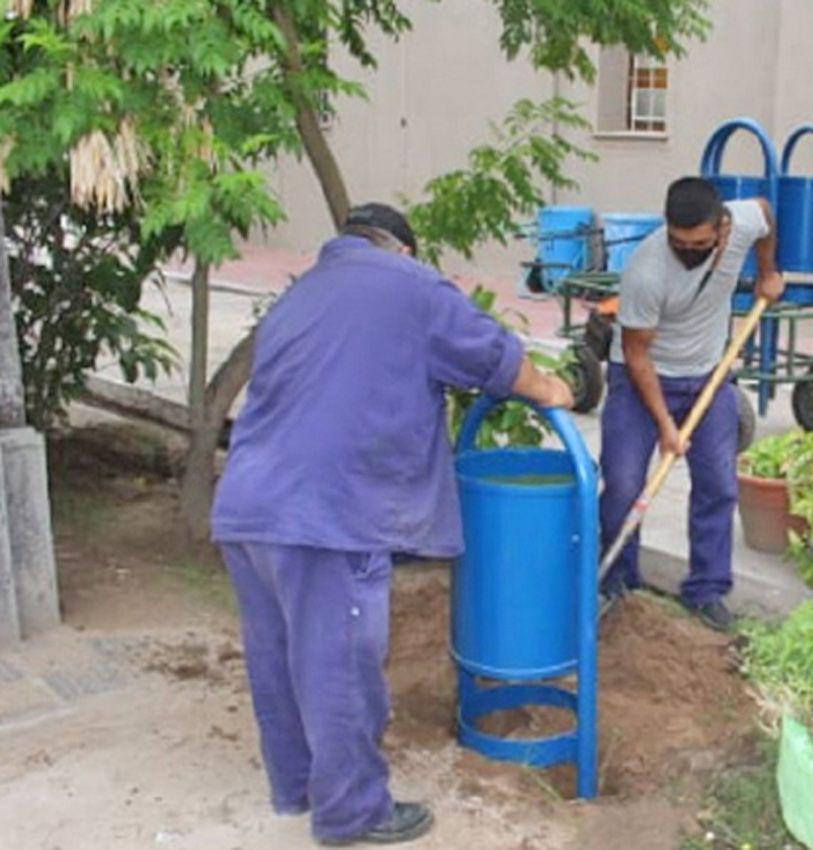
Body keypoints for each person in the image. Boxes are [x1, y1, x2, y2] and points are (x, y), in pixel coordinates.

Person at [211, 203, 573, 846]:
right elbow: (493, 356)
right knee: (340, 665)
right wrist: (550, 389)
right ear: (402, 250)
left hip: (248, 506)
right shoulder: (409, 284)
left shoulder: (301, 296)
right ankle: (351, 813)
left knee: (280, 656)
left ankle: (296, 787)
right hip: (328, 514)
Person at [599, 178, 783, 632]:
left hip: (709, 376)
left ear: (722, 228)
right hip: (642, 379)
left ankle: (707, 590)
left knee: (719, 483)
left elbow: (765, 212)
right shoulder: (646, 270)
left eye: (699, 244)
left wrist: (767, 271)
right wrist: (665, 425)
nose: (688, 252)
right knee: (623, 485)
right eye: (679, 244)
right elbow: (638, 354)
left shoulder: (741, 222)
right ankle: (617, 587)